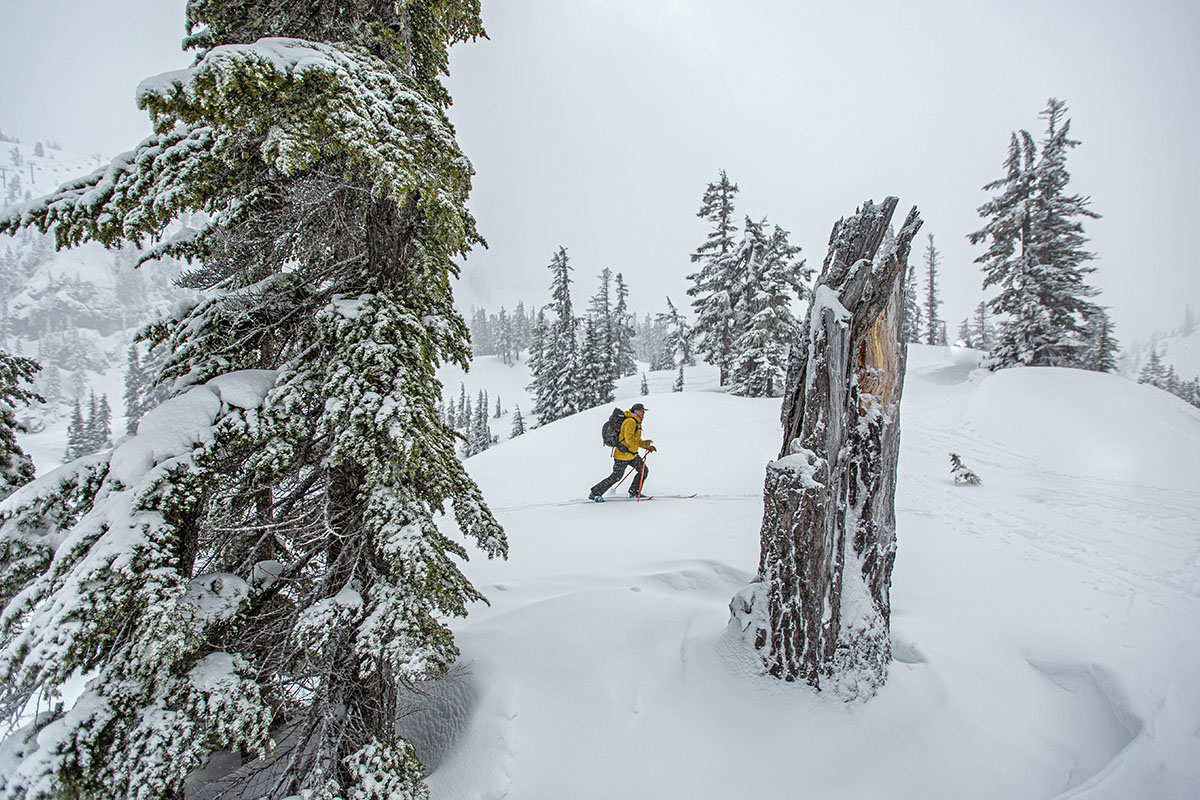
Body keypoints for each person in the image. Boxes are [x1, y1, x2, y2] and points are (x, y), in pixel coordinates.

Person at [589, 403, 656, 501]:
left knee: (643, 471)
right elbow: (629, 439)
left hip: (631, 455)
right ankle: (595, 493)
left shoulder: (635, 421)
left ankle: (634, 492)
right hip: (623, 455)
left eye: (643, 411)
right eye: (641, 411)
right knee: (616, 476)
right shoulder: (630, 422)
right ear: (635, 411)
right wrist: (643, 446)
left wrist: (645, 445)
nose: (643, 413)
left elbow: (633, 440)